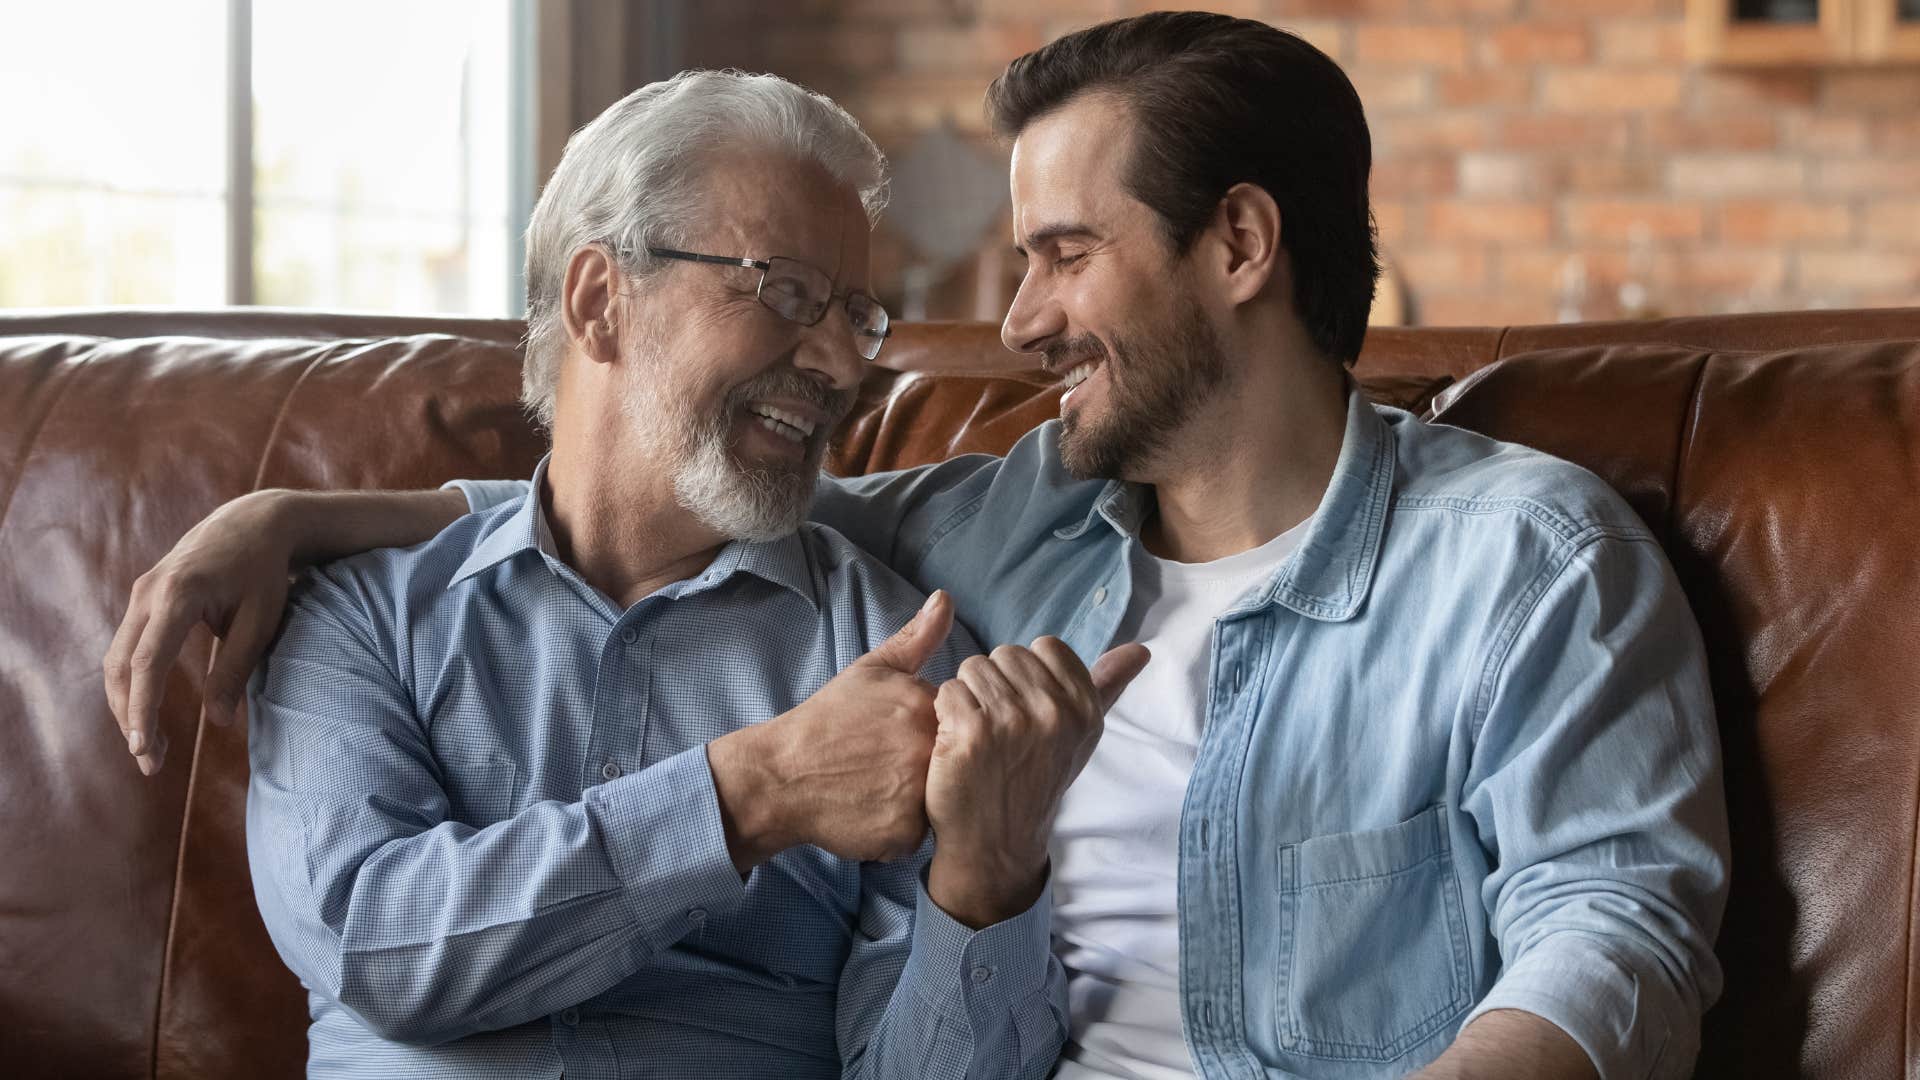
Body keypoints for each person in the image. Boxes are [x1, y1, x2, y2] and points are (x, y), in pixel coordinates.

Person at [107, 12, 1729, 1080]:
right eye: (791, 294)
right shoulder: (981, 538)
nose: (1010, 321)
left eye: (1064, 255)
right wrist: (298, 512)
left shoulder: (1527, 562)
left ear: (1240, 245)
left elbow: (1619, 927)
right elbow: (648, 510)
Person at [185, 69, 1147, 1078]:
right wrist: (754, 792)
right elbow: (370, 944)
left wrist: (987, 876)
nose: (838, 363)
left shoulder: (896, 655)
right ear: (600, 301)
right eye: (786, 292)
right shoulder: (358, 612)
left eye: (854, 316)